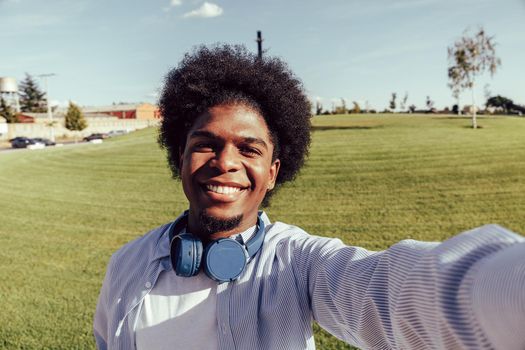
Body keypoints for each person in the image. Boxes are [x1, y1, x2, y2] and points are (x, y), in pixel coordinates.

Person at [94, 45, 525, 350]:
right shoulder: (126, 265)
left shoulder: (298, 263)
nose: (225, 162)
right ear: (180, 154)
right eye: (206, 144)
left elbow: (394, 292)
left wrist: (506, 290)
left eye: (249, 149)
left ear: (274, 173)